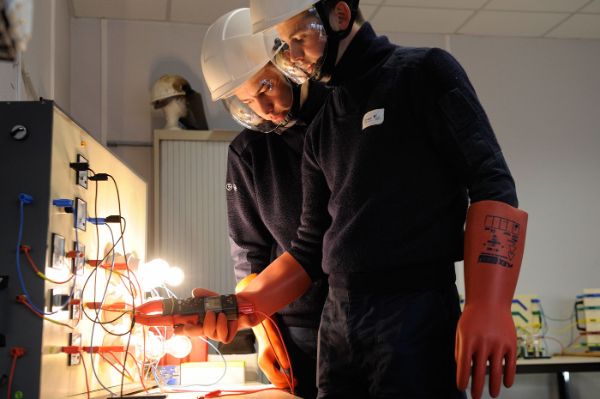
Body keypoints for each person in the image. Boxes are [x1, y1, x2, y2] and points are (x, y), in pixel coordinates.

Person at [191, 2, 528, 399]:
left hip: (413, 307)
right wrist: (243, 305)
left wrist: (488, 304)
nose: (294, 56)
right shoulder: (325, 124)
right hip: (338, 321)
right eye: (285, 44)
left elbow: (492, 184)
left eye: (299, 38)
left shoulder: (422, 72)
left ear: (340, 15)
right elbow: (308, 249)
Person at [198, 8, 329, 398]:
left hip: (362, 309)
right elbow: (249, 252)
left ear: (288, 61)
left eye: (266, 87)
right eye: (248, 101)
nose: (264, 108)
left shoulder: (337, 118)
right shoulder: (248, 151)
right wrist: (263, 329)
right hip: (295, 322)